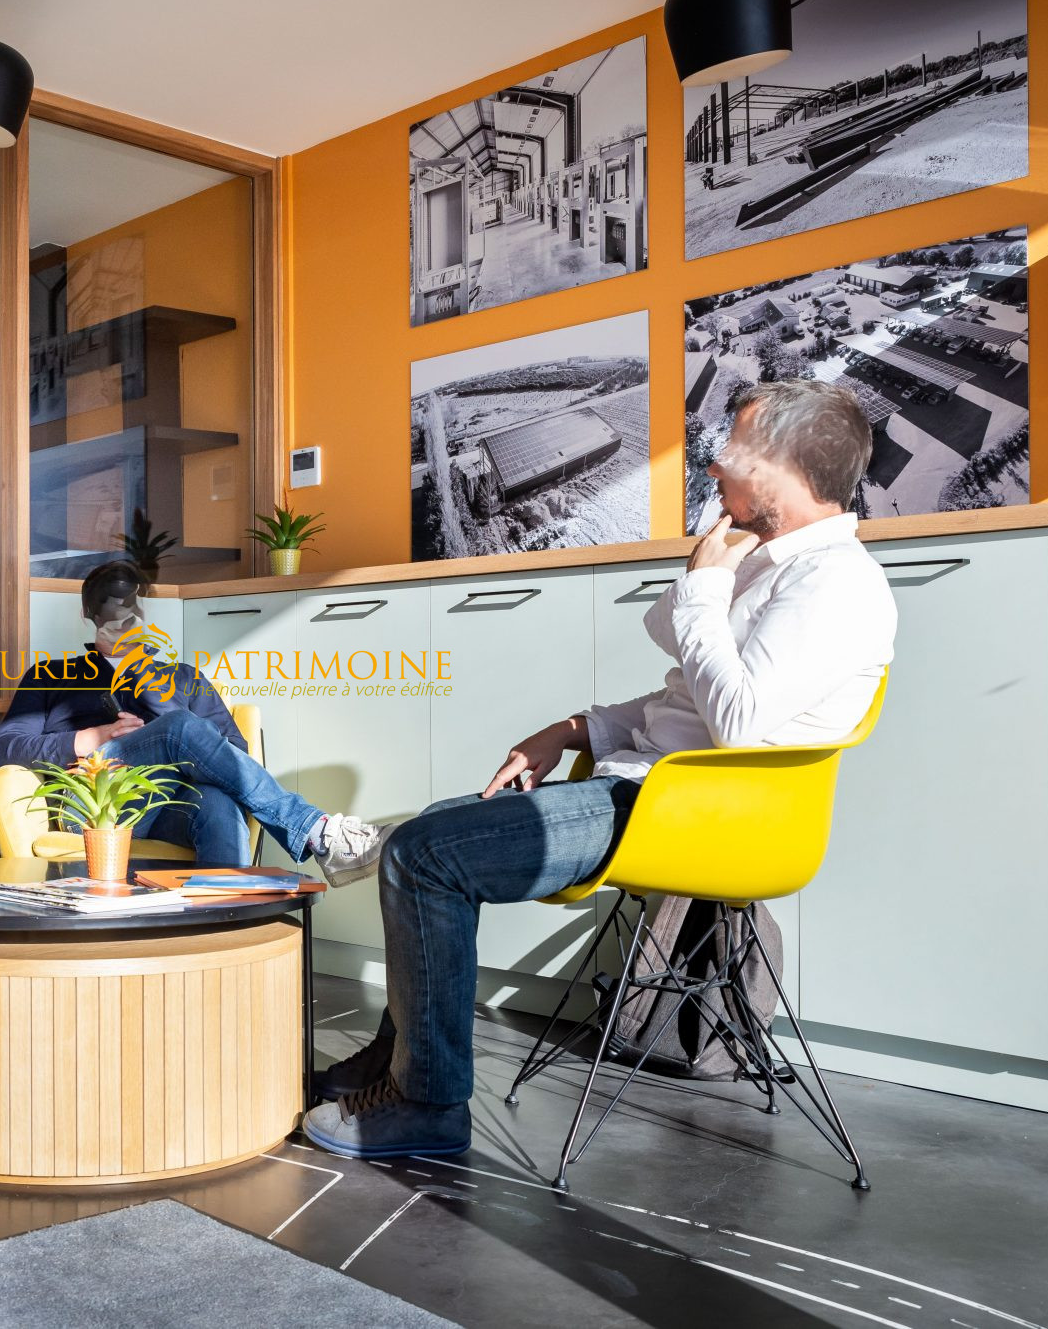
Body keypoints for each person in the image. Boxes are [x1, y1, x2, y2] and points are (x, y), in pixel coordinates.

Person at [303, 379, 898, 1160]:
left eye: (733, 448)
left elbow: (738, 720)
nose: (713, 463)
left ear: (783, 465)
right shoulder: (767, 563)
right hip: (648, 790)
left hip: (685, 811)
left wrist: (705, 585)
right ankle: (397, 1065)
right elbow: (684, 697)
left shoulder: (837, 582)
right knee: (434, 827)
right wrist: (573, 727)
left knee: (425, 854)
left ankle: (428, 1104)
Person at [0, 560, 383, 881]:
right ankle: (319, 832)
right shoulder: (51, 675)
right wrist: (92, 738)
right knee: (178, 728)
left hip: (169, 806)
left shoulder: (183, 677)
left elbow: (236, 755)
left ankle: (222, 927)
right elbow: (5, 749)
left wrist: (157, 707)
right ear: (88, 613)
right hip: (93, 808)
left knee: (218, 800)